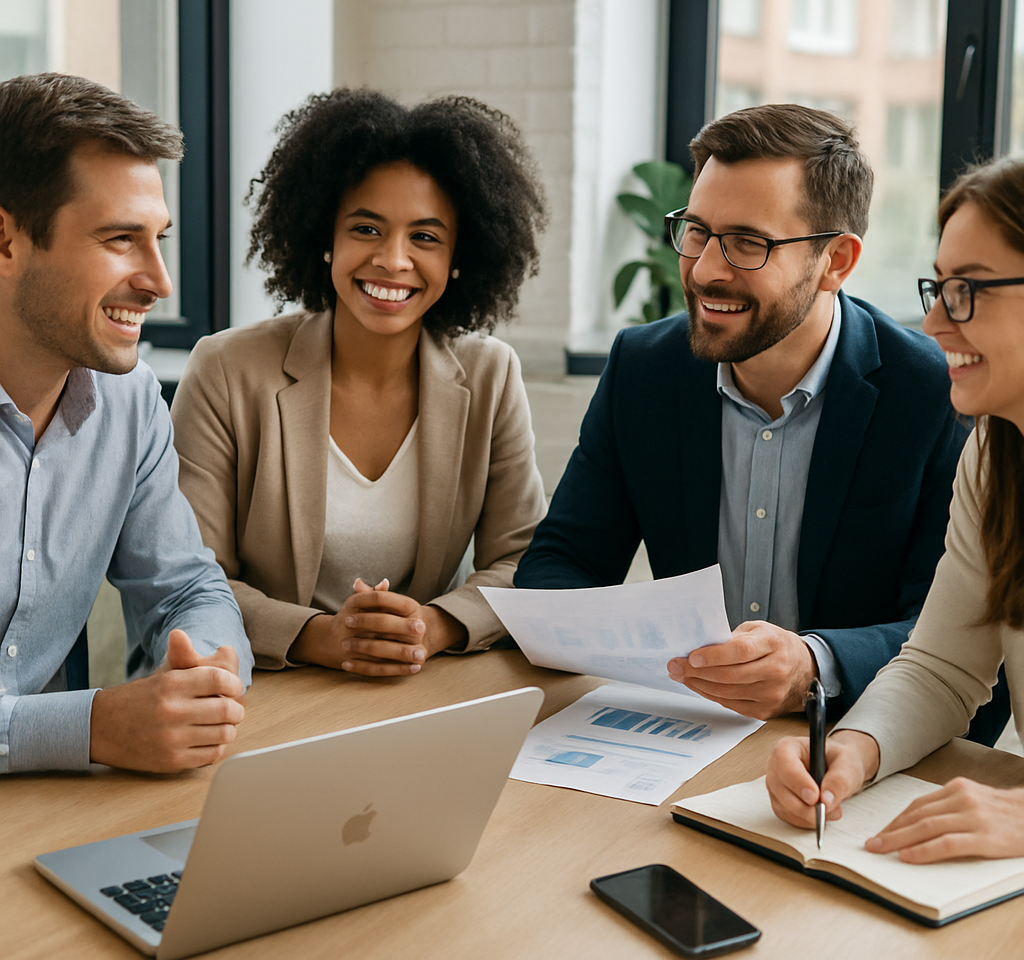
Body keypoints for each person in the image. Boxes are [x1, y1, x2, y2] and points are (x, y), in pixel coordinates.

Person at [515, 103, 1005, 737]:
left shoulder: (936, 392)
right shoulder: (644, 369)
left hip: (854, 740)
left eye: (749, 243)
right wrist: (632, 645)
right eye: (696, 231)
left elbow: (954, 640)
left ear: (837, 262)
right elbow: (561, 561)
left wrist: (815, 664)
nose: (708, 269)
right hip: (681, 736)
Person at [170, 89, 548, 675]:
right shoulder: (226, 369)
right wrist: (319, 637)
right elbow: (190, 575)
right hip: (256, 688)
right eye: (367, 228)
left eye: (424, 236)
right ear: (327, 238)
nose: (393, 260)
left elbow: (524, 559)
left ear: (458, 257)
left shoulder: (490, 375)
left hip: (416, 689)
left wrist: (433, 625)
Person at [767, 156, 1024, 862]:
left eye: (967, 290)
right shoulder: (996, 458)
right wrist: (851, 750)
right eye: (937, 289)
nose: (935, 323)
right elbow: (942, 665)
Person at [0, 72, 253, 774]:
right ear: (6, 242)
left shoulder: (130, 400)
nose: (159, 280)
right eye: (120, 239)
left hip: (54, 812)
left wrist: (199, 680)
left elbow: (185, 588)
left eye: (159, 238)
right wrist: (90, 728)